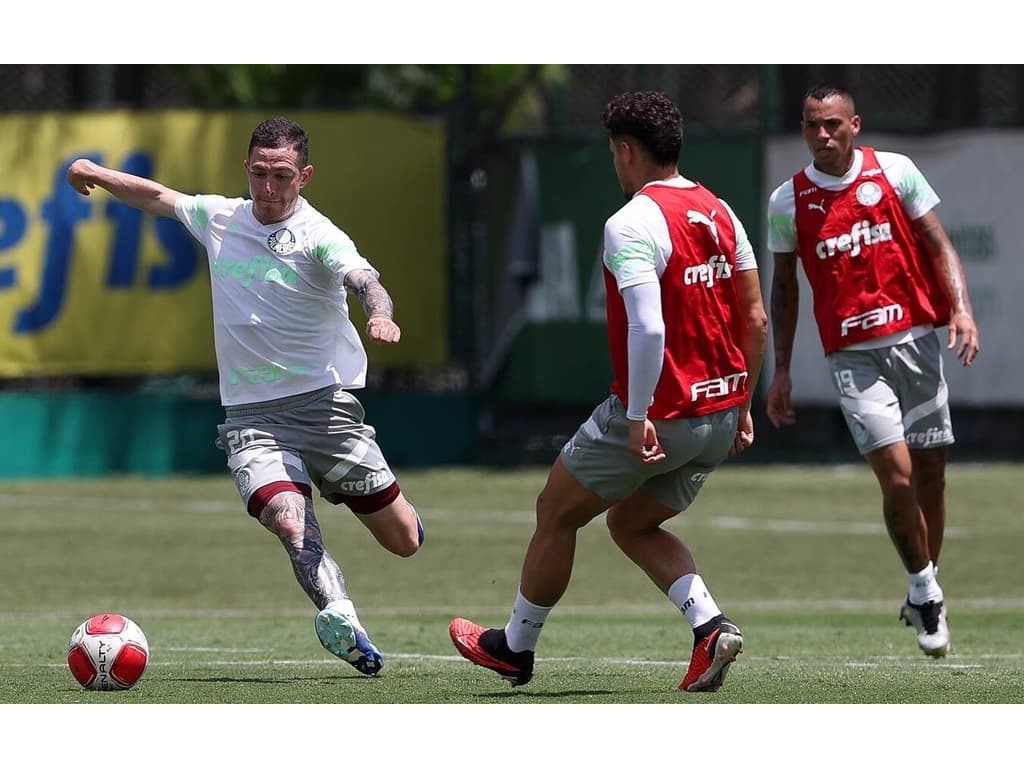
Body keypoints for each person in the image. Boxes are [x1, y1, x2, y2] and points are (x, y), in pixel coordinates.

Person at [66, 117, 424, 676]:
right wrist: (95, 171)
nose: (268, 187)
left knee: (404, 541)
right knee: (289, 520)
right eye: (259, 173)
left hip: (327, 409)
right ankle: (341, 617)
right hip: (253, 419)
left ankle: (357, 495)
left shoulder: (319, 235)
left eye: (282, 175)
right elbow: (159, 196)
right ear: (246, 169)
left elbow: (363, 280)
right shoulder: (221, 217)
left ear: (304, 176)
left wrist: (379, 313)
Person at [449, 91, 767, 692]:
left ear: (626, 151)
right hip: (721, 415)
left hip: (662, 412)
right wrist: (743, 404)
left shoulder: (631, 222)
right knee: (631, 523)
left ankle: (515, 647)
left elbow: (649, 326)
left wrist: (640, 415)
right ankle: (710, 629)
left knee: (555, 510)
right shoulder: (721, 211)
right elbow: (754, 319)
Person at [765, 84, 980, 658]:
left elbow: (938, 243)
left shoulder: (897, 172)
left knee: (932, 474)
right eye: (812, 126)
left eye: (833, 124)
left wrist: (960, 307)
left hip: (917, 343)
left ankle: (923, 582)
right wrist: (780, 370)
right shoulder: (788, 201)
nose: (823, 135)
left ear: (854, 125)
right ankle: (925, 589)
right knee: (900, 477)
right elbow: (783, 287)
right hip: (853, 358)